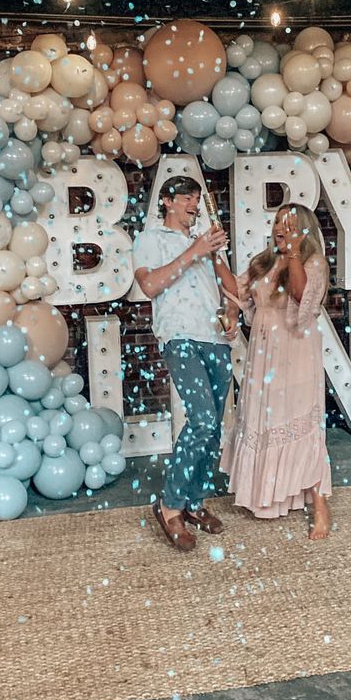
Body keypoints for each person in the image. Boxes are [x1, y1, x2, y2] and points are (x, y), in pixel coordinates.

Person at [133, 176, 238, 552]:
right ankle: (170, 504)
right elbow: (150, 286)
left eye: (197, 198)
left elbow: (231, 291)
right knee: (203, 421)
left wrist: (230, 312)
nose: (194, 204)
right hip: (180, 338)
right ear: (166, 202)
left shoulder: (207, 243)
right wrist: (194, 250)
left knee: (213, 430)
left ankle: (195, 502)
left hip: (216, 342)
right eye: (186, 198)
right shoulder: (150, 239)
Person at [221, 203, 332, 539]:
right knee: (266, 421)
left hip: (296, 353)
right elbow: (236, 291)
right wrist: (214, 256)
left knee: (301, 424)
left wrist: (295, 254)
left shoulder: (313, 262)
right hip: (263, 355)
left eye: (289, 223)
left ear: (305, 229)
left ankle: (321, 506)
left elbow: (302, 298)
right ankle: (266, 495)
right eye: (277, 222)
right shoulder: (264, 261)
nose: (280, 228)